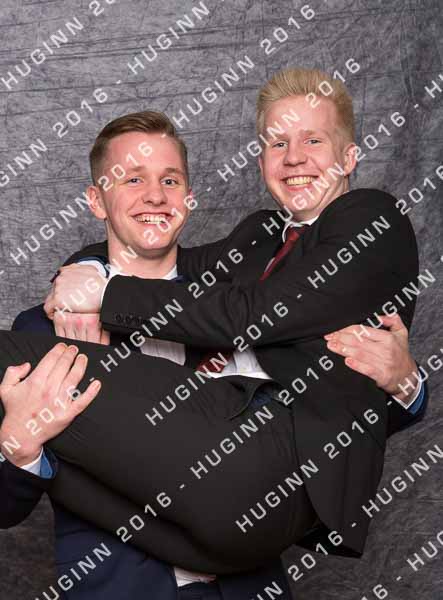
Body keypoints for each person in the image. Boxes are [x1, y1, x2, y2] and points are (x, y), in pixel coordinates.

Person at [0, 68, 427, 578]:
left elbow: (256, 317)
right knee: (59, 452)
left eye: (313, 140)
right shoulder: (256, 243)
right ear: (97, 201)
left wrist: (406, 385)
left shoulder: (369, 219)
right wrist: (84, 274)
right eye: (278, 143)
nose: (294, 157)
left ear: (350, 156)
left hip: (264, 477)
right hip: (182, 557)